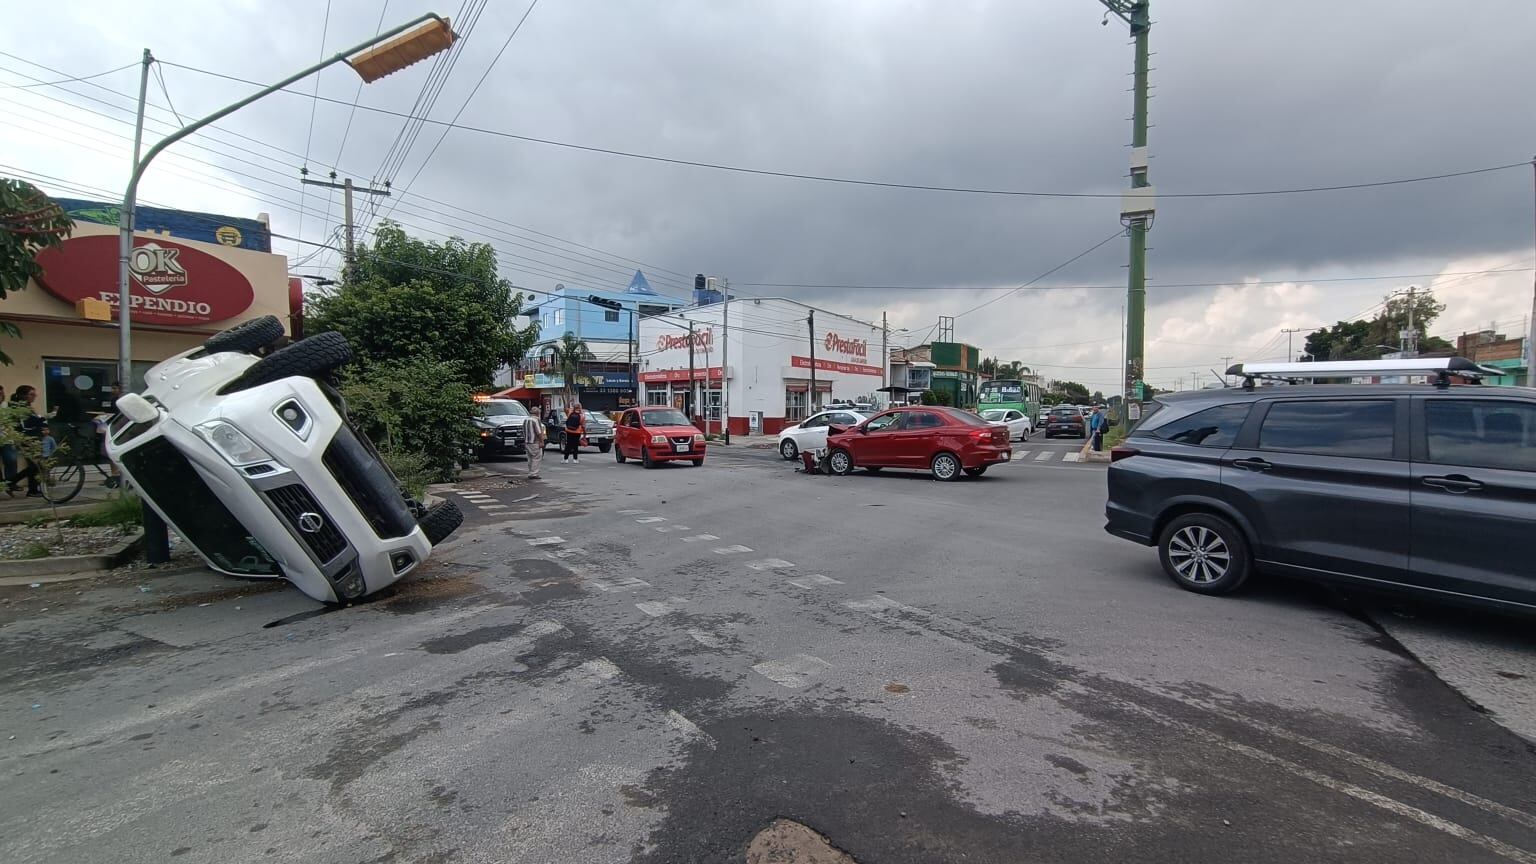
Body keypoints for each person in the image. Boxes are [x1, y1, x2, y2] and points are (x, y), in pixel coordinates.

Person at [8, 385, 45, 497]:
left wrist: (42, 423)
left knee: (35, 465)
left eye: (35, 394)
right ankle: (10, 483)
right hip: (26, 439)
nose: (34, 396)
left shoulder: (28, 407)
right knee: (35, 465)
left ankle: (33, 490)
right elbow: (25, 426)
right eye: (31, 394)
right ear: (23, 396)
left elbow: (36, 421)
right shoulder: (19, 408)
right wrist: (40, 423)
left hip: (32, 438)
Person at [523, 407, 546, 479]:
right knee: (536, 457)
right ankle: (534, 473)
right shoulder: (536, 420)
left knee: (530, 458)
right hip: (535, 442)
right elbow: (539, 432)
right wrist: (542, 441)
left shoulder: (526, 420)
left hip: (527, 442)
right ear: (538, 413)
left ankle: (530, 472)